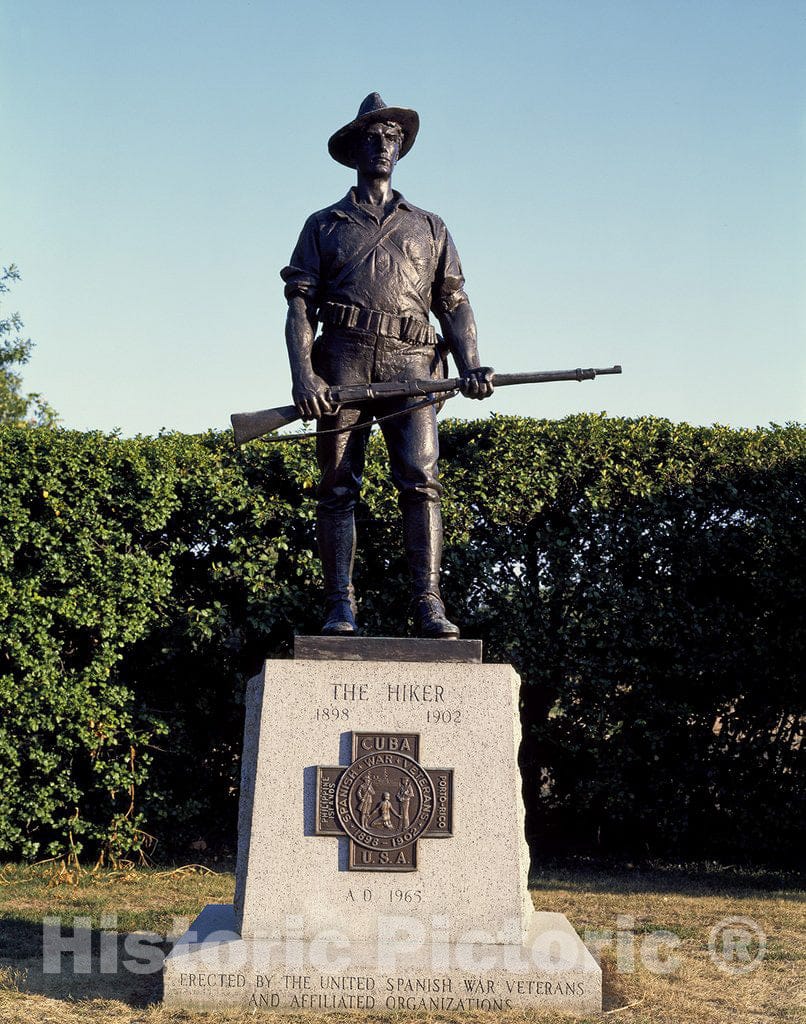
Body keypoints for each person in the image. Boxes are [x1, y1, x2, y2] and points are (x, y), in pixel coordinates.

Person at [281, 93, 493, 638]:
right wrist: (304, 376)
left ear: (401, 149)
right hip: (344, 361)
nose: (382, 146)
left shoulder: (429, 226)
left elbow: (454, 301)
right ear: (355, 148)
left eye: (392, 138)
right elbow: (300, 304)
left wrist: (471, 363)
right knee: (336, 486)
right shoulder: (324, 224)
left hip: (413, 366)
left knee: (422, 481)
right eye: (372, 137)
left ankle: (428, 602)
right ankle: (338, 605)